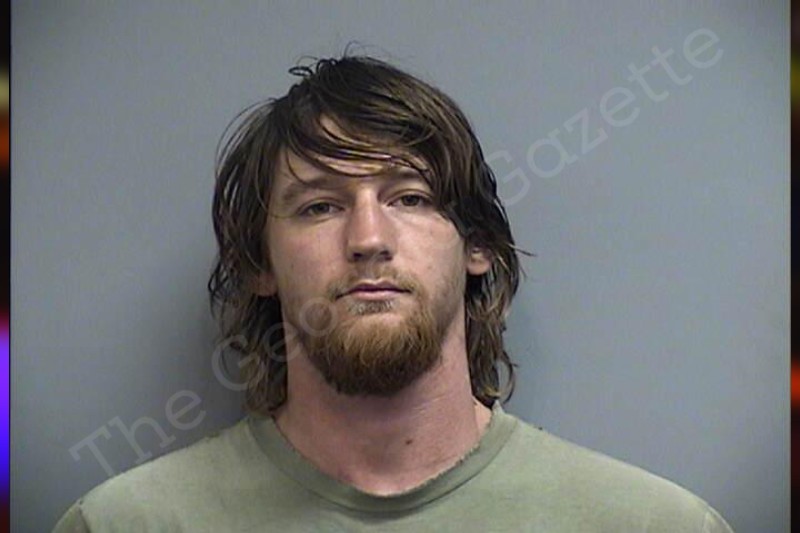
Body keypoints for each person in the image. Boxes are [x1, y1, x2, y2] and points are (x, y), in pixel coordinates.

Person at [54, 55, 733, 532]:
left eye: (410, 197)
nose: (368, 239)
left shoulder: (653, 524)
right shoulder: (125, 523)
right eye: (320, 206)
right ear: (261, 264)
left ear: (477, 245)